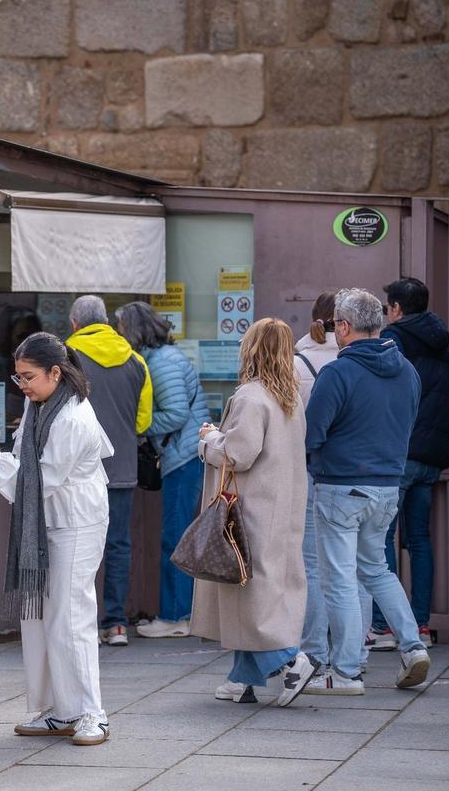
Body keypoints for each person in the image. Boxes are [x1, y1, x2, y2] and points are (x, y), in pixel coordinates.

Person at [0, 333, 115, 746]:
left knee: (70, 615)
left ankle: (91, 713)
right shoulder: (41, 402)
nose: (22, 386)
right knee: (42, 618)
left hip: (76, 521)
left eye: (28, 377)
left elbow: (42, 475)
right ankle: (62, 710)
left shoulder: (74, 417)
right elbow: (28, 460)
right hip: (47, 519)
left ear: (55, 372)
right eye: (17, 379)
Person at [304, 288, 431, 696]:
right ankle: (412, 647)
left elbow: (312, 434)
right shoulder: (407, 370)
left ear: (343, 326)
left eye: (335, 326)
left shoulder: (338, 373)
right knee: (377, 570)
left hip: (341, 486)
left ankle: (344, 671)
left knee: (338, 579)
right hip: (387, 487)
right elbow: (408, 424)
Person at [188, 318, 316, 707]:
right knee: (256, 592)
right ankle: (241, 677)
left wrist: (209, 440)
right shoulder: (289, 397)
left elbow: (237, 455)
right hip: (281, 505)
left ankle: (290, 662)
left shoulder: (250, 397)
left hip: (250, 509)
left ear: (251, 350)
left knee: (249, 591)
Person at [366, 277, 449, 650]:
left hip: (400, 453)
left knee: (380, 538)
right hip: (433, 455)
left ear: (397, 309)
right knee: (419, 539)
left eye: (389, 306)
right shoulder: (442, 344)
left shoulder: (395, 341)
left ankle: (386, 627)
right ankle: (420, 625)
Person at [113, 301, 209, 638]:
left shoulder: (163, 362)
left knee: (176, 537)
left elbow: (177, 414)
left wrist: (138, 428)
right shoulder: (160, 358)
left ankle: (175, 616)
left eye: (122, 328)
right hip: (181, 456)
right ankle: (176, 612)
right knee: (176, 535)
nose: (120, 335)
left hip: (182, 458)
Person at [65, 295, 152, 647]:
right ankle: (115, 623)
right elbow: (143, 422)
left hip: (75, 471)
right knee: (117, 545)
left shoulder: (65, 358)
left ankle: (77, 623)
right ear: (108, 323)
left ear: (75, 324)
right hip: (121, 470)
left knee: (73, 545)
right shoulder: (136, 361)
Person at [294, 292, 342, 670]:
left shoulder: (298, 361)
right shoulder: (356, 358)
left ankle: (314, 652)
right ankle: (351, 656)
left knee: (311, 562)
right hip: (353, 470)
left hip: (311, 467)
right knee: (354, 565)